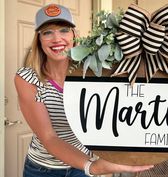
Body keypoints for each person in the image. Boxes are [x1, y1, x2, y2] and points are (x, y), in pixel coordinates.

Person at [14, 3, 153, 177]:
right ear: (39, 39)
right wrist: (93, 167)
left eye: (64, 30)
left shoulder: (92, 71)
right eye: (47, 32)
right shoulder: (27, 78)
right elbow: (49, 137)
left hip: (81, 166)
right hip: (43, 169)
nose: (57, 39)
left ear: (73, 35)